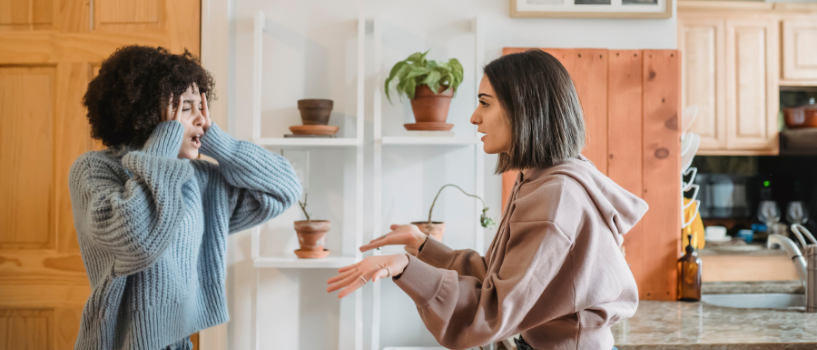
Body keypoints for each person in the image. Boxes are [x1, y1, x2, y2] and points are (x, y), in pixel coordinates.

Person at [327, 49, 647, 350]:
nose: (474, 117)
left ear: (524, 109)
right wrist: (424, 245)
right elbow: (496, 276)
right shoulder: (539, 178)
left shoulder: (556, 195)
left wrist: (405, 268)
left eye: (485, 103)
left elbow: (491, 312)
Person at [69, 46, 302, 350]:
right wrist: (165, 142)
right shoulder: (95, 169)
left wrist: (220, 144)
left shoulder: (199, 177)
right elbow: (137, 241)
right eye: (186, 108)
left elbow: (285, 187)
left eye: (202, 106)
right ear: (147, 114)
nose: (202, 119)